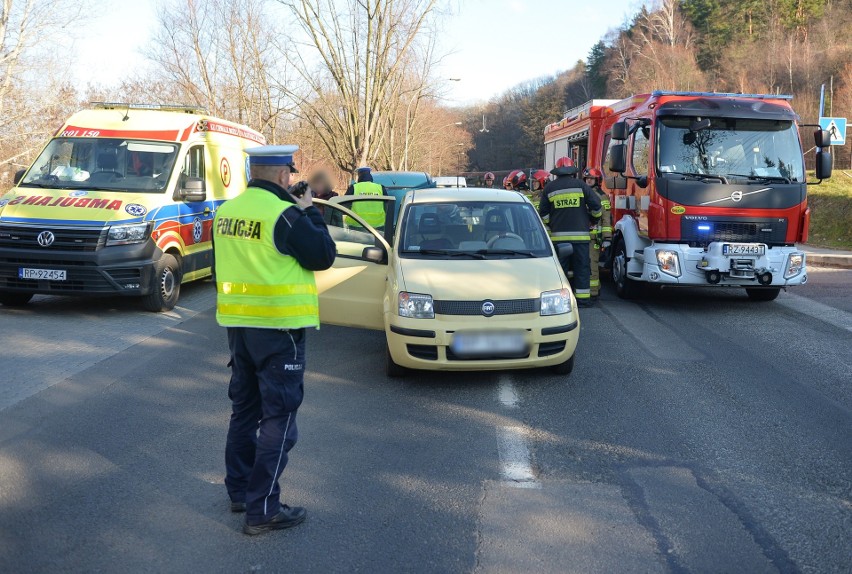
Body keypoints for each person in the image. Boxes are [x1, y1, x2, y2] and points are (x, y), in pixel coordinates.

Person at [213, 144, 336, 536]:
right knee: (279, 418)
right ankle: (263, 508)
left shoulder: (226, 212)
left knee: (245, 412)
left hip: (239, 328)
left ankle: (240, 491)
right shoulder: (285, 214)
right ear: (284, 175)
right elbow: (324, 255)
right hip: (279, 331)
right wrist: (308, 211)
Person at [538, 157, 601, 307]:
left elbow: (543, 214)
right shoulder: (581, 185)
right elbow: (597, 208)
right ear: (572, 171)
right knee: (582, 268)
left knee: (560, 271)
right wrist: (592, 220)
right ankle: (582, 300)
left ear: (557, 171)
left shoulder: (549, 188)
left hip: (559, 239)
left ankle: (560, 302)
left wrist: (552, 225)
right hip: (581, 238)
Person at [583, 167, 612, 300]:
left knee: (592, 264)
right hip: (582, 235)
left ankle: (593, 293)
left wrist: (607, 238)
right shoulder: (582, 193)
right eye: (587, 178)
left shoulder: (601, 196)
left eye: (591, 178)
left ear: (597, 180)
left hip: (594, 238)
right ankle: (594, 288)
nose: (589, 181)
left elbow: (606, 218)